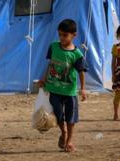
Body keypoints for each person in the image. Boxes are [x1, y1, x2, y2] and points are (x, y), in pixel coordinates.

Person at [38, 19, 87, 152]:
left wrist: (82, 89)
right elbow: (50, 64)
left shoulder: (76, 54)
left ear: (74, 35)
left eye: (65, 35)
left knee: (71, 118)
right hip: (53, 89)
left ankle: (69, 141)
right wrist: (43, 79)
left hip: (70, 92)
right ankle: (63, 132)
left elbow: (81, 72)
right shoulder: (53, 47)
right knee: (58, 115)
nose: (61, 37)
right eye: (60, 34)